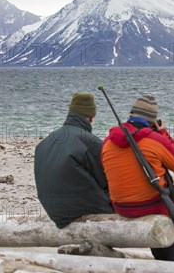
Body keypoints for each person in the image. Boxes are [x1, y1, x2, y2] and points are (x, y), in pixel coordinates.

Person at [101, 95, 174, 262]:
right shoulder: (154, 140)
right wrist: (164, 133)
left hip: (120, 207)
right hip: (151, 206)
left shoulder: (108, 142)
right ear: (153, 120)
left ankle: (161, 259)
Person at [34, 93, 114, 228]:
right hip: (80, 209)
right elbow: (107, 180)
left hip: (53, 211)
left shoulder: (44, 143)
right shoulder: (90, 142)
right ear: (91, 117)